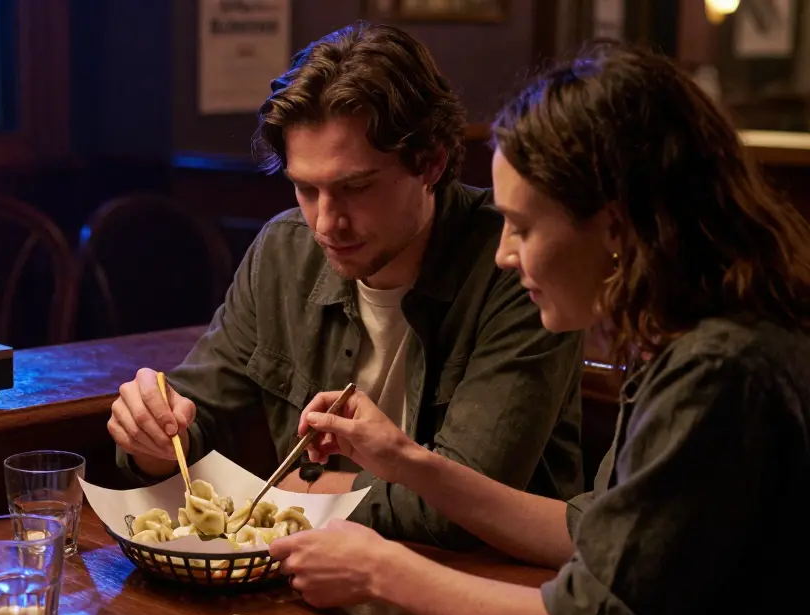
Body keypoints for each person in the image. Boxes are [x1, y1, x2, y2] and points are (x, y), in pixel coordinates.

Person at [273, 41, 810, 615]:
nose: (503, 254)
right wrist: (406, 461)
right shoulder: (702, 336)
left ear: (615, 226)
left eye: (522, 227)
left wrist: (382, 570)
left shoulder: (719, 373)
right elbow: (591, 531)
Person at [106, 23, 586, 550]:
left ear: (431, 163)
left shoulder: (515, 264)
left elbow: (465, 504)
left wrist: (312, 493)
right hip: (327, 575)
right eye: (306, 189)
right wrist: (152, 438)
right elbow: (192, 419)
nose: (326, 224)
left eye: (356, 188)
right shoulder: (284, 250)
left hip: (490, 578)